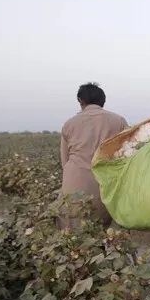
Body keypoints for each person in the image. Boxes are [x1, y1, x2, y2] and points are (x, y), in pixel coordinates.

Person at [60, 83, 129, 228]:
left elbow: (65, 162)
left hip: (74, 187)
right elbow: (127, 156)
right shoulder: (119, 121)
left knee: (75, 237)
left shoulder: (69, 124)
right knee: (107, 237)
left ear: (81, 101)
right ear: (102, 101)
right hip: (106, 187)